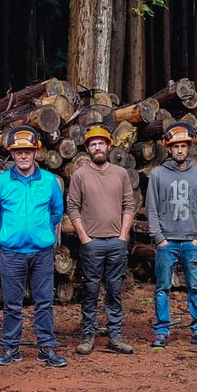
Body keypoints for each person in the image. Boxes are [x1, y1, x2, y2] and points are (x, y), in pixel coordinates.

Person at [0, 125, 67, 367]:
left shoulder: (48, 181)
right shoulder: (1, 182)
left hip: (42, 252)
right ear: (12, 154)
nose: (23, 156)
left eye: (28, 151)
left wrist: (40, 232)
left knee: (44, 301)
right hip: (12, 253)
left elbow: (56, 212)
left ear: (36, 153)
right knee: (12, 304)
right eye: (19, 152)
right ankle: (11, 348)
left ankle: (47, 347)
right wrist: (13, 234)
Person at [146, 122, 197, 349]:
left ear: (189, 148)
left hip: (191, 241)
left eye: (184, 146)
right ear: (168, 148)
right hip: (167, 241)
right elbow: (152, 209)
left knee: (195, 287)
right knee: (163, 288)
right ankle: (162, 330)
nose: (180, 150)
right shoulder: (157, 174)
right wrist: (159, 238)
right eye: (175, 146)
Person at [66, 124, 135, 355]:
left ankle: (115, 335)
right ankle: (88, 335)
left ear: (108, 145)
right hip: (91, 243)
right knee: (90, 290)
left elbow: (129, 204)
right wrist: (84, 237)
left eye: (101, 143)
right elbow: (73, 207)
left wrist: (123, 236)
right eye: (93, 144)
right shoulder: (80, 175)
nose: (97, 147)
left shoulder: (121, 173)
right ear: (87, 148)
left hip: (116, 241)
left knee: (115, 289)